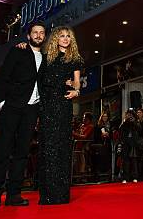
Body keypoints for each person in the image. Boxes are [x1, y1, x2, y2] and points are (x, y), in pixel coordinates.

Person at [0, 22, 46, 209]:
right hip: (12, 107)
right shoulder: (18, 51)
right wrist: (2, 102)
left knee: (22, 152)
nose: (39, 35)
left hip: (32, 109)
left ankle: (14, 194)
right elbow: (3, 77)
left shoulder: (46, 57)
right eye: (35, 32)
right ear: (28, 36)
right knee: (3, 150)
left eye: (42, 33)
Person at [37, 26, 83, 204]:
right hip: (47, 106)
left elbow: (77, 83)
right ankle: (47, 194)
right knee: (48, 148)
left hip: (64, 105)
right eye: (62, 36)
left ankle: (61, 194)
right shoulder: (46, 58)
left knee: (63, 147)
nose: (65, 39)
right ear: (56, 38)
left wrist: (76, 92)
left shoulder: (75, 59)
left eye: (68, 36)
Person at [119, 109, 142, 183]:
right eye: (128, 114)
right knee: (126, 161)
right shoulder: (124, 123)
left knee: (134, 160)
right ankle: (125, 178)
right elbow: (120, 131)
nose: (130, 116)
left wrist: (134, 122)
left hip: (133, 143)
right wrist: (125, 121)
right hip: (126, 143)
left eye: (131, 115)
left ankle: (135, 177)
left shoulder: (136, 122)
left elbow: (140, 130)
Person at [73, 112, 95, 181]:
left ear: (88, 119)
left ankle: (82, 177)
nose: (83, 119)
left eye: (85, 117)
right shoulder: (82, 125)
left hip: (84, 146)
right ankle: (77, 177)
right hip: (77, 145)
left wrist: (74, 134)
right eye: (83, 117)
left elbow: (85, 137)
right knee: (77, 161)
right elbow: (78, 133)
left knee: (83, 161)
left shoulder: (90, 126)